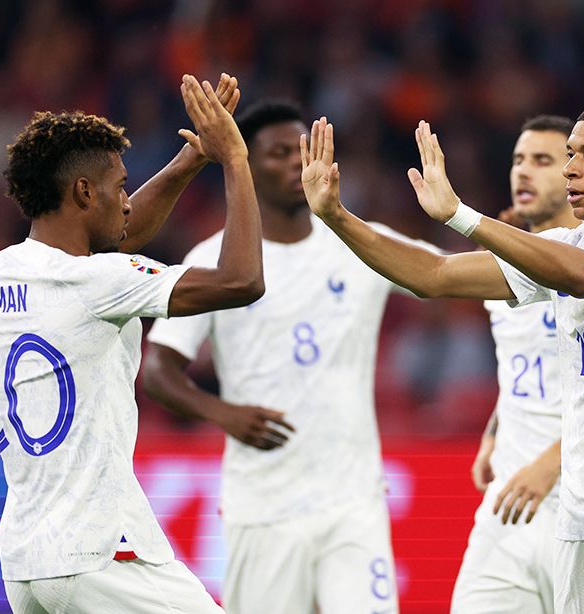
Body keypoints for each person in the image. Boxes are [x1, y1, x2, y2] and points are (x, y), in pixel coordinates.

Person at [301, 96, 584, 614]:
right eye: (569, 154)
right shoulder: (570, 243)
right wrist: (336, 216)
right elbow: (433, 277)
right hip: (581, 510)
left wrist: (460, 216)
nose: (572, 168)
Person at [0, 73, 263, 613]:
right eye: (120, 186)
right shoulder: (96, 283)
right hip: (101, 550)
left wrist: (190, 160)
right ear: (83, 191)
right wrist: (235, 160)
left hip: (28, 560)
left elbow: (113, 237)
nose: (128, 201)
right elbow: (242, 281)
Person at [141, 100, 438, 614]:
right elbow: (157, 370)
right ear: (247, 166)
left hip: (353, 501)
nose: (295, 164)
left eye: (301, 151)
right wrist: (223, 413)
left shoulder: (360, 242)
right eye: (278, 153)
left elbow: (450, 276)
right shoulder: (215, 258)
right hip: (264, 505)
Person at [453, 114, 579, 614]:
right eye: (518, 160)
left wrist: (553, 462)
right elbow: (521, 366)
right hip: (508, 506)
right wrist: (495, 430)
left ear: (576, 176)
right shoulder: (500, 263)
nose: (523, 172)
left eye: (542, 161)